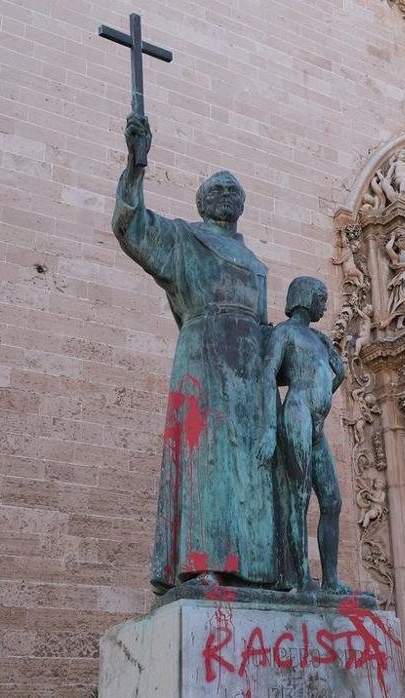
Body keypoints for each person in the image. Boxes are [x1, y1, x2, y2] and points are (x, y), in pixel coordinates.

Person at [112, 113, 277, 593]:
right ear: (202, 201)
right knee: (204, 456)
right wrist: (137, 164)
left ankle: (252, 568)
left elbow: (265, 328)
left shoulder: (257, 264)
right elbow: (130, 225)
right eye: (217, 190)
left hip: (248, 369)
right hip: (203, 356)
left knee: (248, 468)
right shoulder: (183, 238)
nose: (226, 195)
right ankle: (199, 561)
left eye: (233, 191)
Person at [256, 277, 351, 593]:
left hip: (317, 422)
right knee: (298, 497)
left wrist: (333, 371)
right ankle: (300, 578)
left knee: (333, 501)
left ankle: (332, 580)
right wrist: (270, 427)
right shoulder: (285, 332)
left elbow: (337, 373)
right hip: (296, 414)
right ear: (306, 298)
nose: (325, 305)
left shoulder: (318, 339)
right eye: (322, 298)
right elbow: (268, 375)